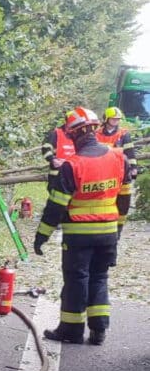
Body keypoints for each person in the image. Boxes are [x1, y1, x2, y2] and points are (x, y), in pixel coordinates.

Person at [33, 107, 130, 346]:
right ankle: (99, 330)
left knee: (76, 280)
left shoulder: (72, 165)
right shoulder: (119, 158)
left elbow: (56, 206)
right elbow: (124, 198)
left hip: (79, 235)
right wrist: (118, 229)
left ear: (76, 133)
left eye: (71, 134)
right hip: (108, 233)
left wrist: (42, 236)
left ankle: (71, 330)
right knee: (99, 278)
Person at [42, 110, 76, 194]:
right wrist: (52, 159)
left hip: (73, 175)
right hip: (56, 175)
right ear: (66, 122)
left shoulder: (78, 135)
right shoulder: (56, 133)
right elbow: (46, 148)